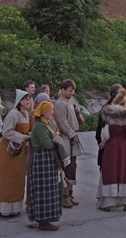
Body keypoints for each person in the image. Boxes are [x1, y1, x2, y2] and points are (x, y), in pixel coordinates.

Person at [0, 90, 32, 217]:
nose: (28, 101)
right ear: (19, 101)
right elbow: (6, 132)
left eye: (29, 99)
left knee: (17, 177)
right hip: (9, 150)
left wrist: (27, 135)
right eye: (25, 99)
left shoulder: (25, 114)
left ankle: (14, 207)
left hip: (19, 149)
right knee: (7, 178)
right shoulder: (13, 114)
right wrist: (23, 137)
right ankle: (4, 208)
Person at [97, 86, 126, 211]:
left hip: (111, 146)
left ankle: (108, 203)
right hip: (125, 147)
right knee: (125, 171)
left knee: (110, 171)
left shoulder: (107, 112)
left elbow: (104, 134)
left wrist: (103, 143)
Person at [28, 100, 62, 231]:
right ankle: (43, 221)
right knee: (43, 190)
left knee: (49, 188)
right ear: (44, 112)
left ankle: (47, 219)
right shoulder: (39, 126)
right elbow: (48, 144)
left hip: (47, 159)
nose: (52, 112)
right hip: (43, 158)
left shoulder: (45, 123)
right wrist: (57, 140)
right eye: (50, 110)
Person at [53, 79, 83, 207]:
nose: (72, 93)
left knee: (72, 167)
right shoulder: (60, 104)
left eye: (73, 90)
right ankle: (64, 196)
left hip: (72, 137)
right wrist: (71, 134)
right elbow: (62, 122)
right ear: (63, 90)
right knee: (67, 166)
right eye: (70, 90)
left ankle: (69, 194)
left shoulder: (69, 102)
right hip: (66, 139)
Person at [96, 84, 123, 168]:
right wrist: (101, 142)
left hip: (121, 145)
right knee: (107, 169)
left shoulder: (125, 109)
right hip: (108, 144)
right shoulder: (106, 109)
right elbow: (100, 128)